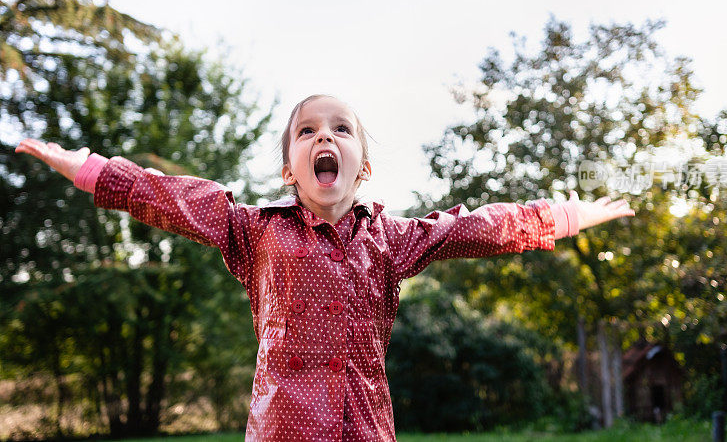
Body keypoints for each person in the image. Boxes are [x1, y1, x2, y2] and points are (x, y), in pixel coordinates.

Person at [15, 94, 635, 441]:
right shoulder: (254, 229)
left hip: (366, 427)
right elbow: (167, 196)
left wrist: (561, 216)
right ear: (291, 167)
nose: (323, 138)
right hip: (284, 429)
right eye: (307, 132)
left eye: (341, 129)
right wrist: (88, 166)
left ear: (360, 165)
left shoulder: (392, 240)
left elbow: (479, 228)